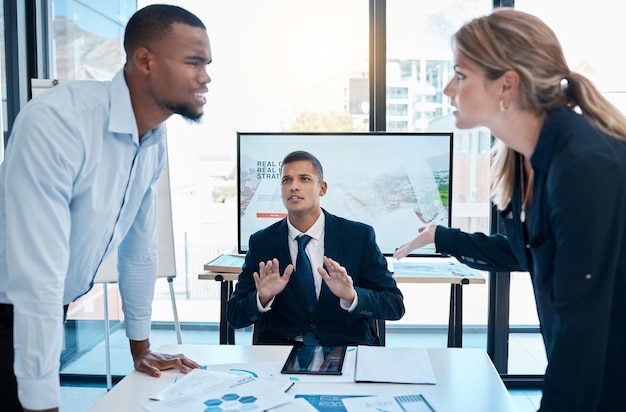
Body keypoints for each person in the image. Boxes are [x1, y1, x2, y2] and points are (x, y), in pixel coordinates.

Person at [394, 8, 626, 412]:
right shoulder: (523, 162)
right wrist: (438, 237)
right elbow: (523, 252)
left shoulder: (584, 165)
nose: (449, 89)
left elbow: (582, 333)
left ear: (507, 84)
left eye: (461, 75)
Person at [0, 4, 212, 411]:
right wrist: (44, 403)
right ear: (145, 61)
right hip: (16, 300)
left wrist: (141, 347)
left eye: (207, 63)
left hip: (47, 303)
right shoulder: (59, 123)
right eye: (193, 62)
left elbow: (139, 248)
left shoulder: (153, 140)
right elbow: (37, 277)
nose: (206, 76)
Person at [227, 150, 405, 346]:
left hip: (346, 347)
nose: (294, 186)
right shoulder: (262, 242)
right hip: (281, 352)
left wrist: (352, 295)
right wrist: (262, 297)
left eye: (304, 179)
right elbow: (235, 316)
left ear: (322, 188)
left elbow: (394, 305)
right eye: (286, 180)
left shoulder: (358, 236)